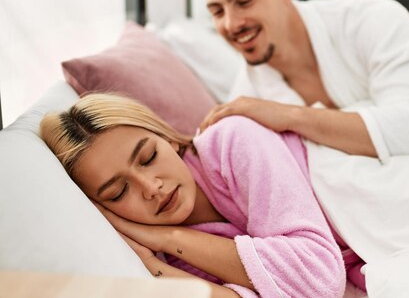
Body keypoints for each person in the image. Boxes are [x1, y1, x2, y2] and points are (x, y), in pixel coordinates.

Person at [40, 93, 365, 298]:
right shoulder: (181, 258)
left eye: (149, 156)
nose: (151, 188)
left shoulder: (232, 141)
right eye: (119, 191)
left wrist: (168, 236)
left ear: (168, 138)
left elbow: (320, 280)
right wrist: (157, 265)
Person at [189, 0, 409, 162]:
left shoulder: (374, 19)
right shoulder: (247, 95)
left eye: (244, 2)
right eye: (217, 11)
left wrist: (291, 117)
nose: (231, 24)